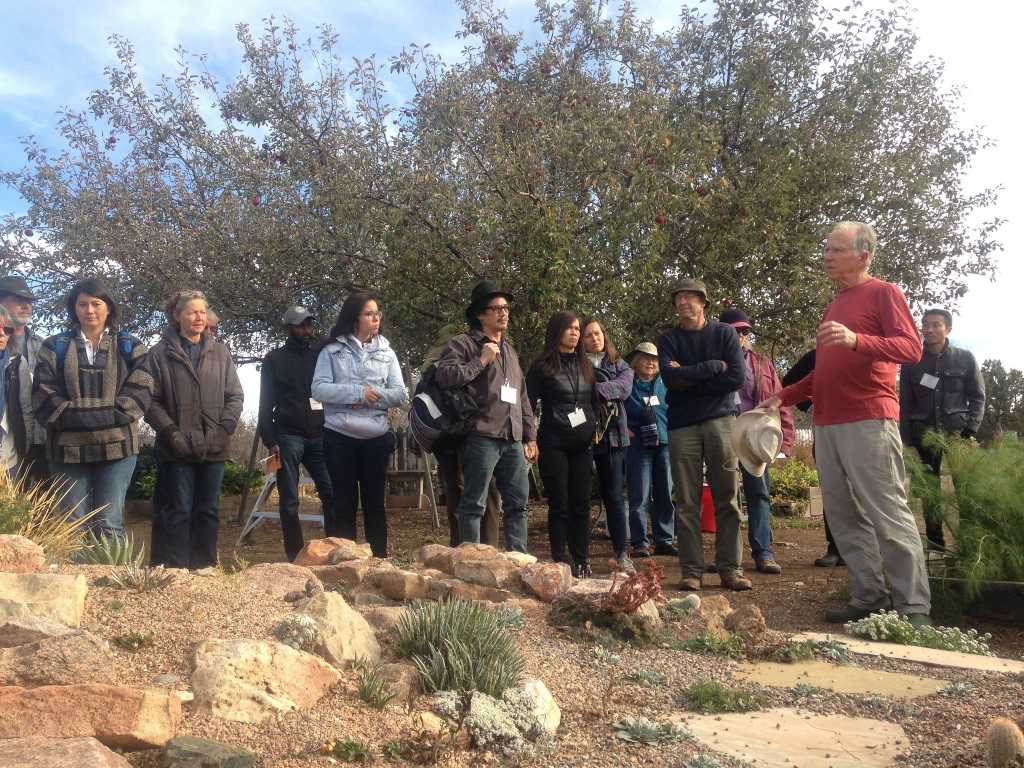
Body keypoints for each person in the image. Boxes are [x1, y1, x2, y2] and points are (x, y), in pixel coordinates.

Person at [762, 221, 931, 626]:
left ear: (864, 254)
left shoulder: (884, 293)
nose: (827, 256)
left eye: (836, 249)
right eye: (826, 249)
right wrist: (780, 397)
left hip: (870, 419)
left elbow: (911, 348)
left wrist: (858, 340)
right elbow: (823, 374)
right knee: (841, 514)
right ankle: (868, 596)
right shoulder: (834, 306)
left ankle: (914, 609)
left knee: (888, 512)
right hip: (827, 424)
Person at [32, 278, 152, 539]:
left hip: (118, 450)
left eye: (96, 303)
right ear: (74, 308)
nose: (90, 310)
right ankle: (75, 581)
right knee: (72, 525)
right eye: (82, 304)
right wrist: (107, 416)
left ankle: (109, 580)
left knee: (110, 523)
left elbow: (141, 392)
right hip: (67, 451)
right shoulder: (54, 347)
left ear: (109, 308)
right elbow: (43, 397)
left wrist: (77, 415)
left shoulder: (130, 345)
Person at [657, 278, 749, 591]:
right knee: (686, 500)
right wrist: (712, 367)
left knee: (727, 496)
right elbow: (671, 380)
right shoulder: (668, 338)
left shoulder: (723, 333)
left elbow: (736, 377)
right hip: (682, 425)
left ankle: (730, 569)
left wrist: (690, 375)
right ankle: (691, 571)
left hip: (720, 420)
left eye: (690, 297)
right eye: (679, 298)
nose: (683, 302)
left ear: (703, 302)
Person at [436, 280, 537, 553]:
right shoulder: (464, 344)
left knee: (518, 504)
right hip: (481, 435)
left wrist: (530, 435)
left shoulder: (510, 351)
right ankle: (471, 559)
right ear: (481, 314)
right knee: (473, 504)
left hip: (513, 438)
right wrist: (479, 361)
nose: (503, 313)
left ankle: (519, 558)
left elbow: (521, 395)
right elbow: (445, 376)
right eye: (496, 309)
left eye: (506, 308)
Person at [146, 289, 243, 569]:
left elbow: (235, 396)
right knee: (178, 510)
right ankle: (175, 570)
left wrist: (225, 429)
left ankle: (204, 567)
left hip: (215, 445)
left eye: (202, 311)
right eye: (192, 311)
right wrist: (171, 433)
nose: (199, 317)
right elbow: (150, 401)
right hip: (177, 447)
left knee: (209, 510)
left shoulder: (220, 352)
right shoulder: (159, 354)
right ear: (177, 316)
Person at [311, 293, 407, 557]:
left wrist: (370, 397)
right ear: (354, 317)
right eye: (369, 313)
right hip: (339, 437)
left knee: (375, 503)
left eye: (377, 313)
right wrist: (356, 393)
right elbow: (318, 389)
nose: (376, 318)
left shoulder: (387, 353)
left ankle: (379, 560)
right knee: (344, 503)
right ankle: (346, 563)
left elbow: (400, 394)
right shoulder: (331, 350)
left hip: (376, 439)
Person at [899, 308, 985, 553]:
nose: (929, 329)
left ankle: (969, 549)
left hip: (958, 435)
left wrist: (970, 430)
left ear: (948, 329)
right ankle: (936, 546)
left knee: (966, 491)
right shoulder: (911, 362)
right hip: (923, 436)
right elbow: (905, 403)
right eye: (925, 324)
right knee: (930, 494)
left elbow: (978, 397)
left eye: (936, 325)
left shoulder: (965, 358)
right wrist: (908, 442)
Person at [257, 305, 335, 561]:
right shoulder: (274, 359)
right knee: (289, 501)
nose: (306, 329)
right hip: (288, 437)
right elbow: (265, 402)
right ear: (289, 328)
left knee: (331, 492)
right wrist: (270, 440)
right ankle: (295, 555)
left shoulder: (319, 354)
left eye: (309, 325)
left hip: (319, 435)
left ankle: (335, 549)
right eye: (301, 325)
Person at [719, 308, 794, 574]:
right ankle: (727, 558)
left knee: (759, 493)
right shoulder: (714, 362)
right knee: (725, 496)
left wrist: (784, 442)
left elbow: (779, 400)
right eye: (734, 330)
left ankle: (763, 552)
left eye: (744, 331)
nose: (740, 335)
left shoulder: (761, 363)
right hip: (724, 433)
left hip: (755, 438)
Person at [527, 312, 598, 577]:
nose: (575, 332)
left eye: (578, 328)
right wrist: (529, 438)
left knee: (581, 502)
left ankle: (582, 558)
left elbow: (594, 402)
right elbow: (528, 405)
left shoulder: (586, 365)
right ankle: (561, 558)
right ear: (557, 331)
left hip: (582, 444)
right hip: (554, 441)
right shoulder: (541, 366)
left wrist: (592, 428)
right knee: (560, 503)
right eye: (569, 328)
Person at [421, 325, 502, 547]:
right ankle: (480, 547)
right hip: (465, 431)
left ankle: (462, 545)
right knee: (484, 489)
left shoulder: (434, 362)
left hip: (447, 435)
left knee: (459, 489)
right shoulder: (464, 357)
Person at [781, 348, 844, 567]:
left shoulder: (864, 349)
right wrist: (810, 406)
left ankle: (868, 550)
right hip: (825, 428)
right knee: (832, 488)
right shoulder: (818, 355)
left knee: (863, 490)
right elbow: (789, 381)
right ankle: (835, 549)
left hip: (862, 427)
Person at [582, 319, 635, 572]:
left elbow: (624, 388)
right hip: (580, 437)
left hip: (613, 437)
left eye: (598, 333)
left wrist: (591, 390)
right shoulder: (574, 362)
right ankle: (579, 557)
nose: (595, 338)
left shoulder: (618, 364)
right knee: (579, 497)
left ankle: (622, 554)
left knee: (613, 496)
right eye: (589, 335)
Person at [623, 342, 676, 558]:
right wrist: (624, 429)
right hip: (638, 445)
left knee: (664, 492)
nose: (651, 362)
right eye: (646, 358)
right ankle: (640, 542)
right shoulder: (628, 383)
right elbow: (616, 408)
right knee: (640, 494)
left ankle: (664, 539)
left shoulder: (665, 383)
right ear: (636, 361)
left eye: (654, 359)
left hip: (664, 443)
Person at [0, 276, 47, 483]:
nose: (27, 306)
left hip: (40, 442)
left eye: (30, 302)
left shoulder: (44, 347)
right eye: (19, 299)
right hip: (6, 441)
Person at [0, 307, 24, 474]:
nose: (2, 334)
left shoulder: (16, 363)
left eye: (7, 329)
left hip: (7, 457)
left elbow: (26, 409)